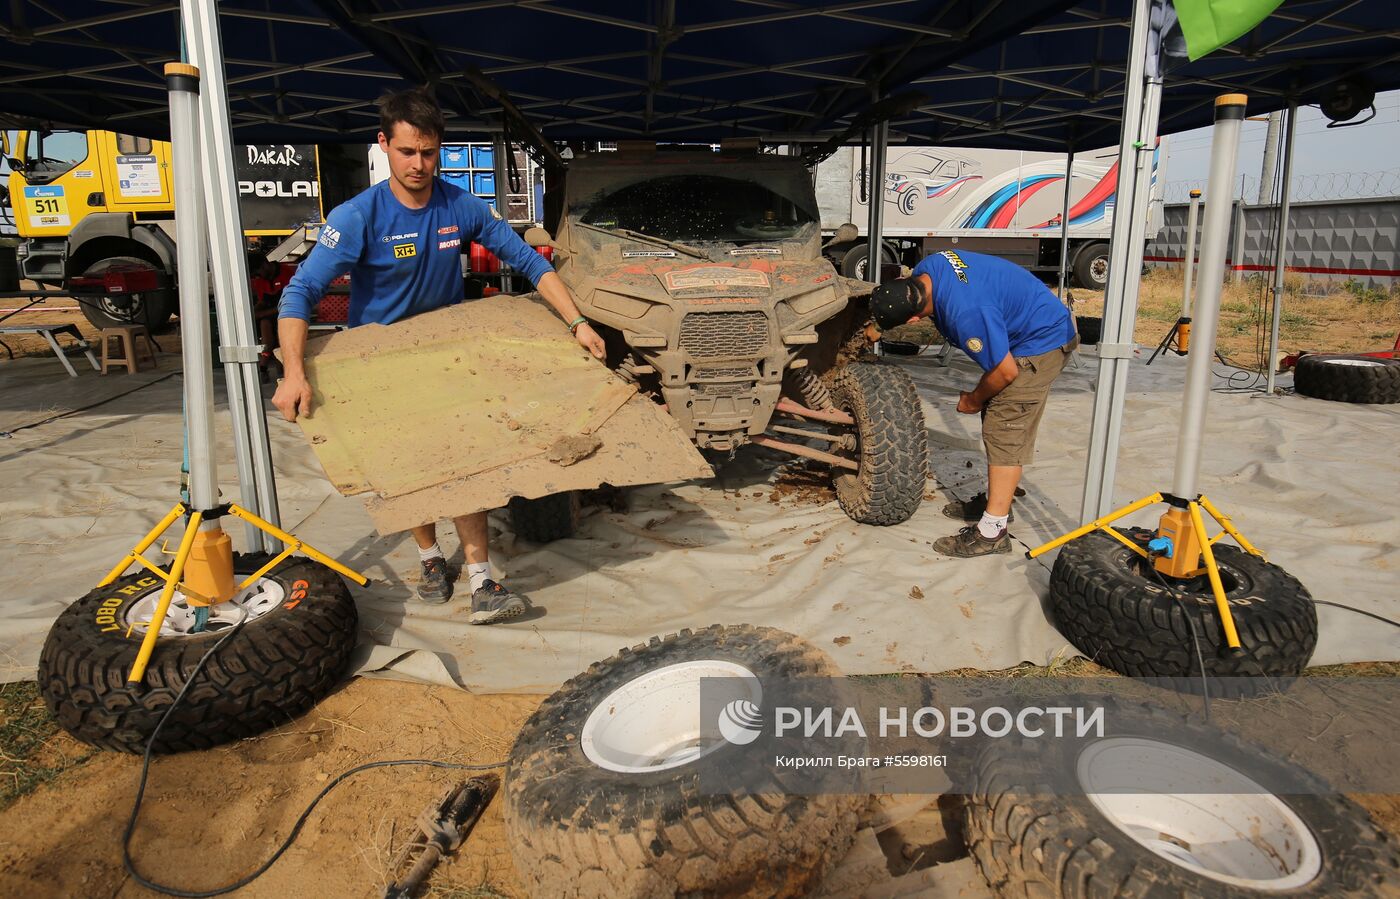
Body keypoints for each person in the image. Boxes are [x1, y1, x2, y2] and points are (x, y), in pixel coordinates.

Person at [274, 87, 606, 619]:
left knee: (465, 463)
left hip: (446, 356)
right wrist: (294, 372)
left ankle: (481, 581)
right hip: (379, 363)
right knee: (410, 469)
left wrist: (578, 322)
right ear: (384, 145)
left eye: (429, 153)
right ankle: (430, 557)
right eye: (407, 152)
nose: (419, 164)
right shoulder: (358, 216)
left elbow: (529, 261)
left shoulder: (460, 205)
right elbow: (300, 292)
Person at [868, 249, 1077, 559]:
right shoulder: (929, 267)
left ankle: (993, 532)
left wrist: (974, 399)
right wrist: (878, 326)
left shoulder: (966, 313)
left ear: (914, 320)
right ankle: (997, 502)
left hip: (1042, 344)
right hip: (1030, 318)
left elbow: (1005, 371)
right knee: (996, 421)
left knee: (1004, 430)